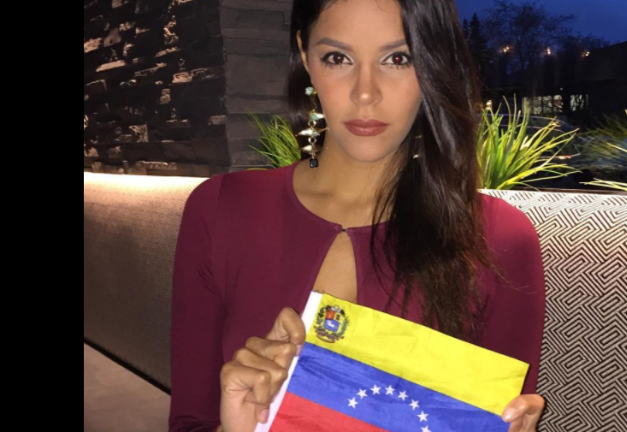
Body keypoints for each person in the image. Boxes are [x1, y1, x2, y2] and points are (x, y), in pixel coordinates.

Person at [169, 1, 546, 431]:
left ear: (433, 64)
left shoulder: (499, 238)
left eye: (398, 59)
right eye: (338, 58)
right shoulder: (221, 209)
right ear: (305, 57)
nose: (365, 93)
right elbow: (191, 421)